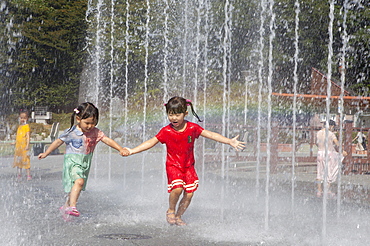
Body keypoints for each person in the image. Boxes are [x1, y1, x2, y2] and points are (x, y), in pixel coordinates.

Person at [123, 96, 245, 226]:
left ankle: (178, 216)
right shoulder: (166, 131)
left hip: (188, 166)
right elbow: (151, 142)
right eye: (170, 115)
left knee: (189, 194)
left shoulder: (192, 128)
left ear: (185, 114)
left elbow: (211, 135)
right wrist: (132, 151)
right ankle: (171, 209)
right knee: (177, 188)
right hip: (173, 165)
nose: (174, 118)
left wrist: (229, 141)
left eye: (177, 114)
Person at [38, 102, 129, 218]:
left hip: (85, 162)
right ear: (78, 119)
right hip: (73, 161)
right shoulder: (71, 132)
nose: (90, 126)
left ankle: (66, 206)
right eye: (87, 123)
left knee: (77, 186)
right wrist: (46, 153)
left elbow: (107, 140)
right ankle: (72, 207)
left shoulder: (95, 132)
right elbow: (58, 142)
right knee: (79, 181)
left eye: (93, 123)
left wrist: (120, 149)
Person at [316, 120, 347, 198]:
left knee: (319, 173)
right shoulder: (331, 134)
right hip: (328, 154)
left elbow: (317, 143)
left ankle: (319, 191)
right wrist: (342, 151)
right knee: (329, 173)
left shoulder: (318, 133)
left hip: (320, 153)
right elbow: (337, 143)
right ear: (331, 126)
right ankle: (327, 190)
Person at [12, 110, 31, 180]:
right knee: (18, 161)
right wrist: (15, 142)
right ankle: (19, 174)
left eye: (24, 118)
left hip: (24, 146)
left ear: (27, 118)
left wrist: (27, 145)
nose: (22, 119)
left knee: (26, 160)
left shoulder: (26, 126)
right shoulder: (19, 126)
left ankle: (28, 175)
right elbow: (18, 136)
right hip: (18, 147)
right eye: (21, 118)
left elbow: (28, 136)